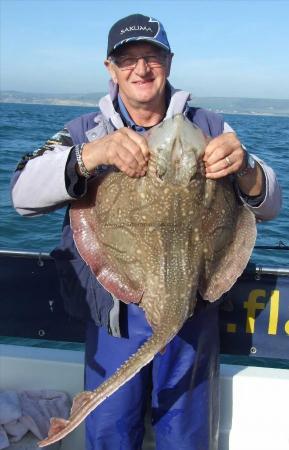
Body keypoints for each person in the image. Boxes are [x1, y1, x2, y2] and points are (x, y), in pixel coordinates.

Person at [11, 13, 281, 450]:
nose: (141, 68)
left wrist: (246, 166)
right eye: (128, 59)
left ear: (169, 63)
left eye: (152, 56)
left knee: (185, 437)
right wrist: (90, 156)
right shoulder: (84, 131)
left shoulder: (212, 126)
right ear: (110, 69)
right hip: (113, 318)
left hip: (191, 312)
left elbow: (269, 204)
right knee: (111, 434)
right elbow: (22, 194)